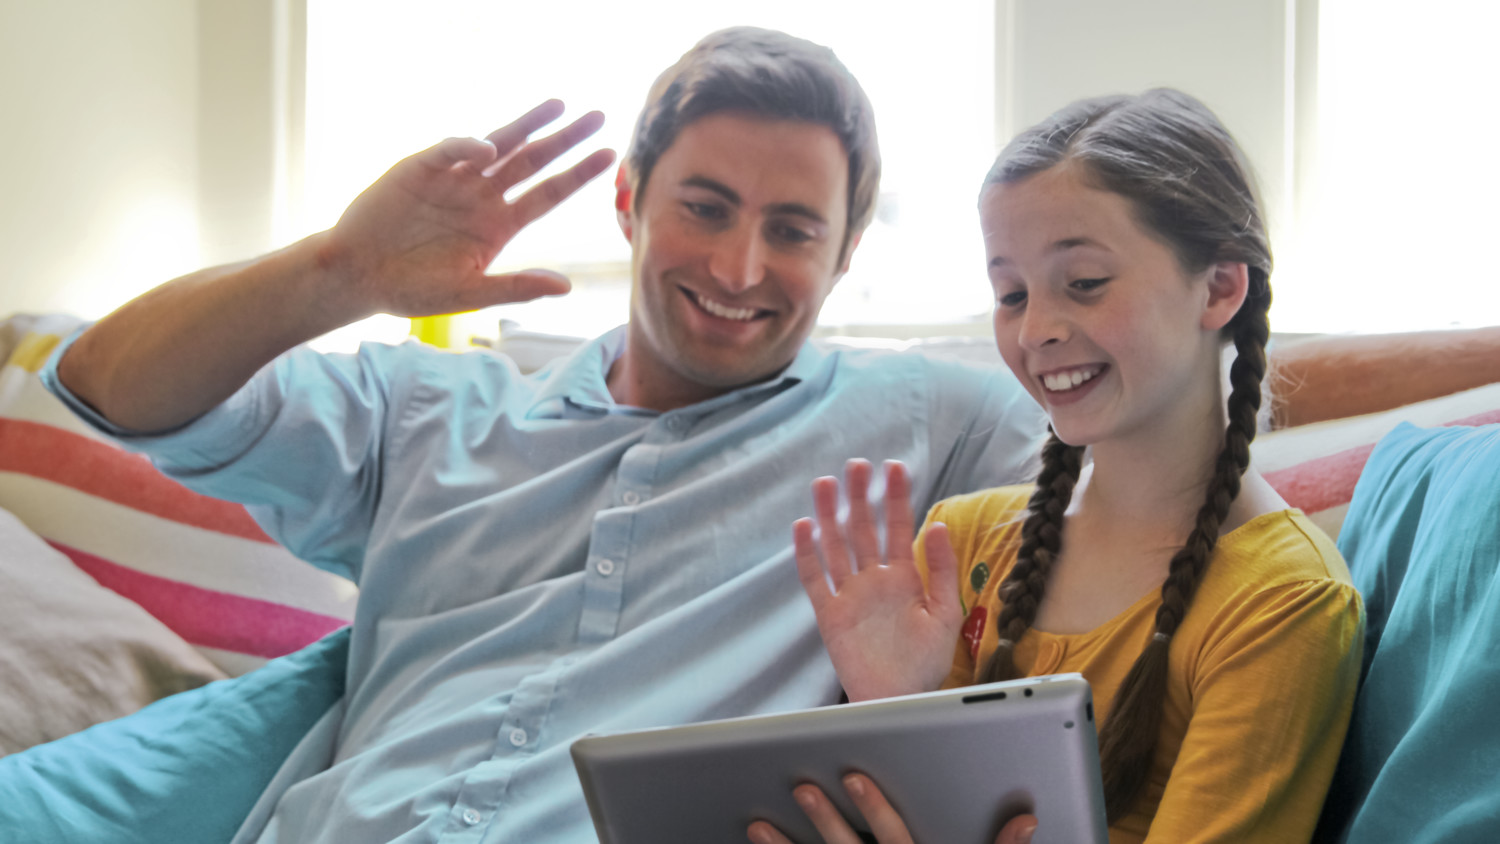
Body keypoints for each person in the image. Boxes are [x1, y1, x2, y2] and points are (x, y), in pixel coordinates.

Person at [27, 25, 1498, 844]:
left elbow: (1182, 385)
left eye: (794, 229)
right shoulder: (425, 404)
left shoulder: (925, 419)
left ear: (849, 252)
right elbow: (103, 383)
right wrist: (336, 275)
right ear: (629, 204)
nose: (740, 271)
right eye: (707, 210)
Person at [758, 90, 1365, 844]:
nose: (1037, 330)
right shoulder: (965, 543)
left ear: (1219, 287)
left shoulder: (1283, 601)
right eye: (1011, 293)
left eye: (1084, 283)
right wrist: (888, 706)